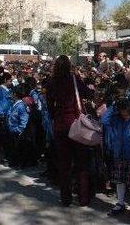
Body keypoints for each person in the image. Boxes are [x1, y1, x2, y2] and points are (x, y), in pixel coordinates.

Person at [46, 55, 93, 207]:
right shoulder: (74, 79)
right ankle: (83, 198)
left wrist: (56, 116)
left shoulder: (51, 82)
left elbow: (49, 107)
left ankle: (66, 198)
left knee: (64, 164)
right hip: (76, 124)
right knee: (81, 163)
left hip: (60, 126)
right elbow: (87, 93)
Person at [104, 97, 130, 218]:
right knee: (119, 180)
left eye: (127, 111)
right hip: (119, 154)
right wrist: (114, 105)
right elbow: (104, 119)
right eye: (122, 111)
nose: (125, 114)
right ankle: (120, 203)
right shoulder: (116, 119)